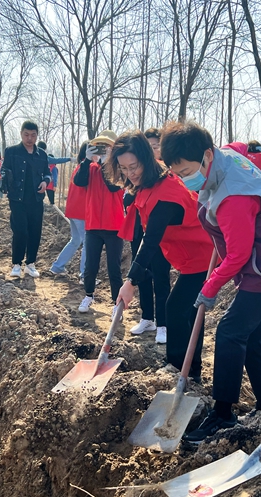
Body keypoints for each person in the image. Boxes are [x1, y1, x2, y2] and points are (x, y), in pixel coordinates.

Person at [161, 122, 261, 443]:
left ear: (207, 156)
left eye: (187, 171)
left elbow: (238, 254)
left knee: (230, 331)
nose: (185, 180)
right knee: (252, 336)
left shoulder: (234, 198)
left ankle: (223, 413)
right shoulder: (226, 156)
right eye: (178, 174)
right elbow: (241, 146)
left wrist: (208, 288)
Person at [112, 131, 214, 378]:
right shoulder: (148, 183)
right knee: (188, 311)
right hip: (188, 256)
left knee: (176, 307)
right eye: (124, 168)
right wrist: (134, 276)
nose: (130, 173)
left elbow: (150, 241)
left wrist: (130, 281)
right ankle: (190, 370)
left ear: (146, 159)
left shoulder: (167, 192)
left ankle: (180, 368)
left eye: (134, 166)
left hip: (203, 254)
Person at [126, 127, 172, 344]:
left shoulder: (166, 176)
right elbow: (127, 201)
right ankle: (147, 318)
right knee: (142, 275)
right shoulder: (135, 176)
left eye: (156, 146)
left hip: (159, 236)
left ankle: (163, 323)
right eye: (149, 146)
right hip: (138, 230)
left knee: (161, 278)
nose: (153, 150)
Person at [72, 130, 124, 313]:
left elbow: (112, 187)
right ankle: (88, 295)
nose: (103, 151)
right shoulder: (90, 168)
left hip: (115, 226)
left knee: (114, 268)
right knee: (90, 266)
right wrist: (86, 160)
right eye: (100, 147)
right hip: (93, 225)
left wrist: (106, 163)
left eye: (107, 148)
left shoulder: (119, 170)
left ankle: (116, 303)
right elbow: (78, 181)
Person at [0, 121, 52, 278]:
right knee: (20, 230)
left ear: (37, 135)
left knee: (35, 231)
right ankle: (16, 264)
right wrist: (5, 182)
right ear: (21, 134)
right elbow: (3, 170)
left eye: (33, 135)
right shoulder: (12, 151)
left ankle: (30, 264)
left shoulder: (41, 154)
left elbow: (47, 173)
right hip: (17, 198)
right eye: (26, 135)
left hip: (36, 198)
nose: (30, 138)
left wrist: (45, 181)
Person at [50, 142, 88, 278]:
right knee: (87, 243)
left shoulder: (79, 166)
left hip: (73, 210)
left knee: (76, 240)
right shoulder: (87, 168)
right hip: (81, 211)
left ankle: (57, 266)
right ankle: (85, 275)